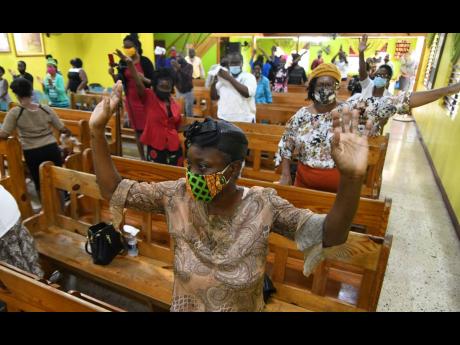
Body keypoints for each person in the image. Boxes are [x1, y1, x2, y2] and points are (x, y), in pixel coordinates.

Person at [89, 82, 373, 311]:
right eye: (190, 165)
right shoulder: (176, 195)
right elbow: (114, 190)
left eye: (204, 167)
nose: (193, 175)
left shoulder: (263, 204)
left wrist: (351, 179)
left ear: (234, 169)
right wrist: (97, 131)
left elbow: (330, 235)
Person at [276, 63, 460, 191]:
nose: (326, 89)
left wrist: (447, 91)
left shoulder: (352, 109)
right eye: (321, 84)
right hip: (304, 184)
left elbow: (400, 101)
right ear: (313, 87)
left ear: (337, 87)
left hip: (340, 186)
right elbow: (285, 145)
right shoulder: (301, 116)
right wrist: (285, 174)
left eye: (331, 85)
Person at [0, 78, 71, 194]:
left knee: (40, 182)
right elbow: (63, 129)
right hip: (51, 148)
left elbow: (3, 134)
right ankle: (62, 206)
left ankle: (47, 209)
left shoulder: (15, 112)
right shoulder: (45, 109)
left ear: (16, 94)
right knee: (58, 181)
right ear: (31, 91)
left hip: (32, 151)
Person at [109, 33, 155, 160]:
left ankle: (151, 155)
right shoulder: (122, 62)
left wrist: (143, 78)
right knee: (137, 129)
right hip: (131, 100)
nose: (126, 49)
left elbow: (154, 82)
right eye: (124, 47)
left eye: (129, 47)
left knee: (148, 128)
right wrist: (112, 74)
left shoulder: (145, 62)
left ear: (136, 47)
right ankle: (142, 158)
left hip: (145, 99)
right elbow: (119, 81)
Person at [0, 185, 44, 278]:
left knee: (18, 277)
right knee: (28, 267)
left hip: (4, 228)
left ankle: (38, 288)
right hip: (7, 213)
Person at [211, 52, 257, 123]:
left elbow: (247, 93)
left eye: (237, 63)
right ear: (228, 64)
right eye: (232, 63)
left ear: (242, 63)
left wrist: (229, 78)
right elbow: (214, 97)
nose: (234, 65)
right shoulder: (223, 78)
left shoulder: (249, 77)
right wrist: (215, 79)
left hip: (244, 120)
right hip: (224, 119)